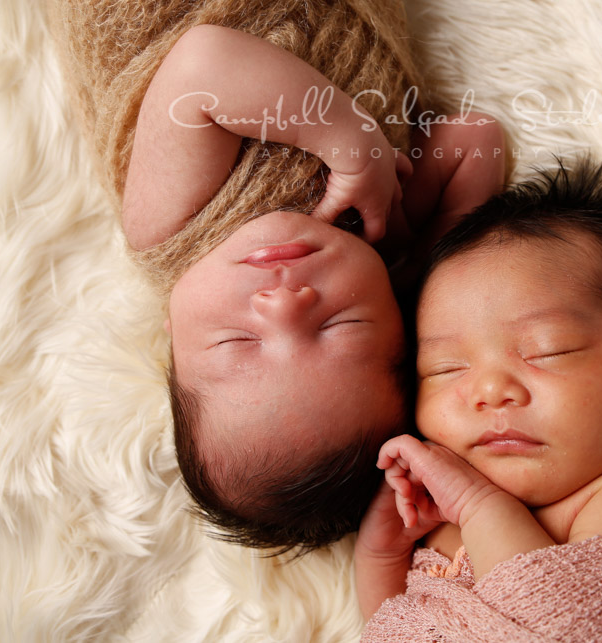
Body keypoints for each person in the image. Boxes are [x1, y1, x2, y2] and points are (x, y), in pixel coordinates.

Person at [122, 24, 506, 553]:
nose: (283, 304)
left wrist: (351, 147)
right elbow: (475, 138)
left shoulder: (171, 229)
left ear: (173, 328)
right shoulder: (376, 240)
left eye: (237, 341)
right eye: (340, 325)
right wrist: (428, 265)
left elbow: (201, 63)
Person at [355, 158, 602, 639]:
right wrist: (380, 553)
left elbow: (564, 628)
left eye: (550, 350)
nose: (490, 391)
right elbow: (393, 628)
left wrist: (479, 505)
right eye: (445, 368)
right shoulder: (444, 516)